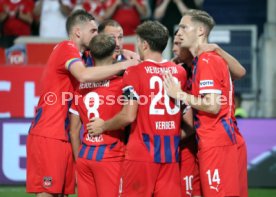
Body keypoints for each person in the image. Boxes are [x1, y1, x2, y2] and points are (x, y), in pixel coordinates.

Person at [26, 10, 138, 197]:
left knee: (60, 193)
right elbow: (84, 75)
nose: (97, 35)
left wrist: (121, 51)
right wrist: (125, 65)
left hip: (62, 135)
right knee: (48, 193)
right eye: (93, 31)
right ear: (78, 32)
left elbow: (103, 55)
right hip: (49, 132)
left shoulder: (80, 55)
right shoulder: (66, 47)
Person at [88, 21, 186, 197]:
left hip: (142, 153)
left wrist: (102, 126)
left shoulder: (134, 72)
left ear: (144, 44)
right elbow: (189, 121)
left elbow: (128, 115)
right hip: (170, 153)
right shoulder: (179, 72)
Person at [163, 9, 247, 197]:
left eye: (184, 27)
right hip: (218, 139)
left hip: (217, 141)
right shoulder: (202, 60)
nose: (179, 32)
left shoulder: (207, 60)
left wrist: (179, 94)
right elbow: (240, 72)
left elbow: (212, 105)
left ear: (200, 30)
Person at [69, 33, 126, 197]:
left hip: (85, 156)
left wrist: (78, 159)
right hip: (111, 155)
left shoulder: (80, 86)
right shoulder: (122, 84)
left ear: (91, 54)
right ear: (115, 54)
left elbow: (73, 131)